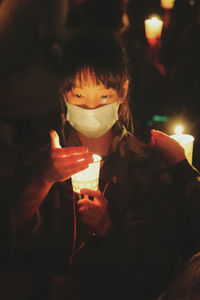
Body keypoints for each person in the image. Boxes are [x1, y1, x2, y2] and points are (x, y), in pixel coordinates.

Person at [11, 30, 200, 300]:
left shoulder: (146, 165)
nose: (90, 108)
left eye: (103, 97)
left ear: (122, 91)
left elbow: (157, 269)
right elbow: (15, 245)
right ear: (63, 94)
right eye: (78, 96)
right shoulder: (42, 160)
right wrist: (43, 180)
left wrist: (107, 227)